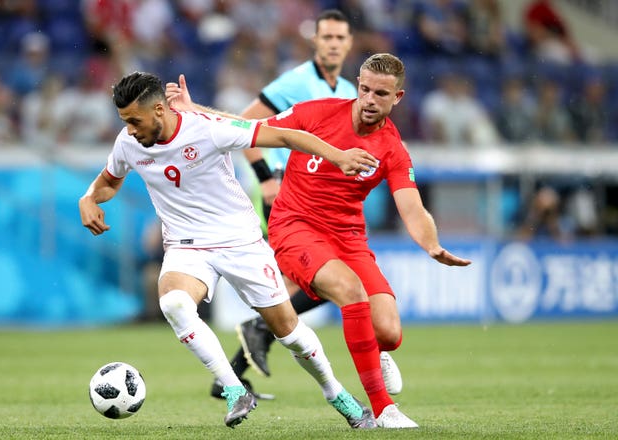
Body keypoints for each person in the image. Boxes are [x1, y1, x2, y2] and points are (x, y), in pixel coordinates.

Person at [167, 53, 472, 428]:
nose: (370, 99)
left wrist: (431, 245)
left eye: (381, 93)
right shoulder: (315, 113)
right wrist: (190, 108)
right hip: (294, 226)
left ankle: (373, 352)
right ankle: (382, 408)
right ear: (357, 86)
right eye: (364, 89)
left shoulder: (393, 149)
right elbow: (247, 128)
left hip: (348, 237)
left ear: (398, 98)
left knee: (389, 334)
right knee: (348, 289)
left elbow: (412, 208)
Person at [78, 71, 380, 429]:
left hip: (240, 242)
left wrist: (338, 156)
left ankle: (336, 393)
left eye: (134, 121)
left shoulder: (207, 129)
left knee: (288, 333)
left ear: (159, 110)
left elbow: (283, 134)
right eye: (124, 122)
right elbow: (109, 181)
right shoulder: (128, 143)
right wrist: (89, 197)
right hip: (187, 247)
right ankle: (235, 389)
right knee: (174, 303)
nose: (129, 130)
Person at [207, 8, 410, 402]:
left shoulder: (355, 91)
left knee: (304, 281)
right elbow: (248, 124)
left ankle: (236, 366)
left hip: (325, 200)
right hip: (286, 195)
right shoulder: (296, 81)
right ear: (314, 41)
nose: (333, 44)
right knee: (308, 278)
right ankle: (252, 342)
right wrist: (267, 177)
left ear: (350, 44)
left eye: (340, 38)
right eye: (327, 38)